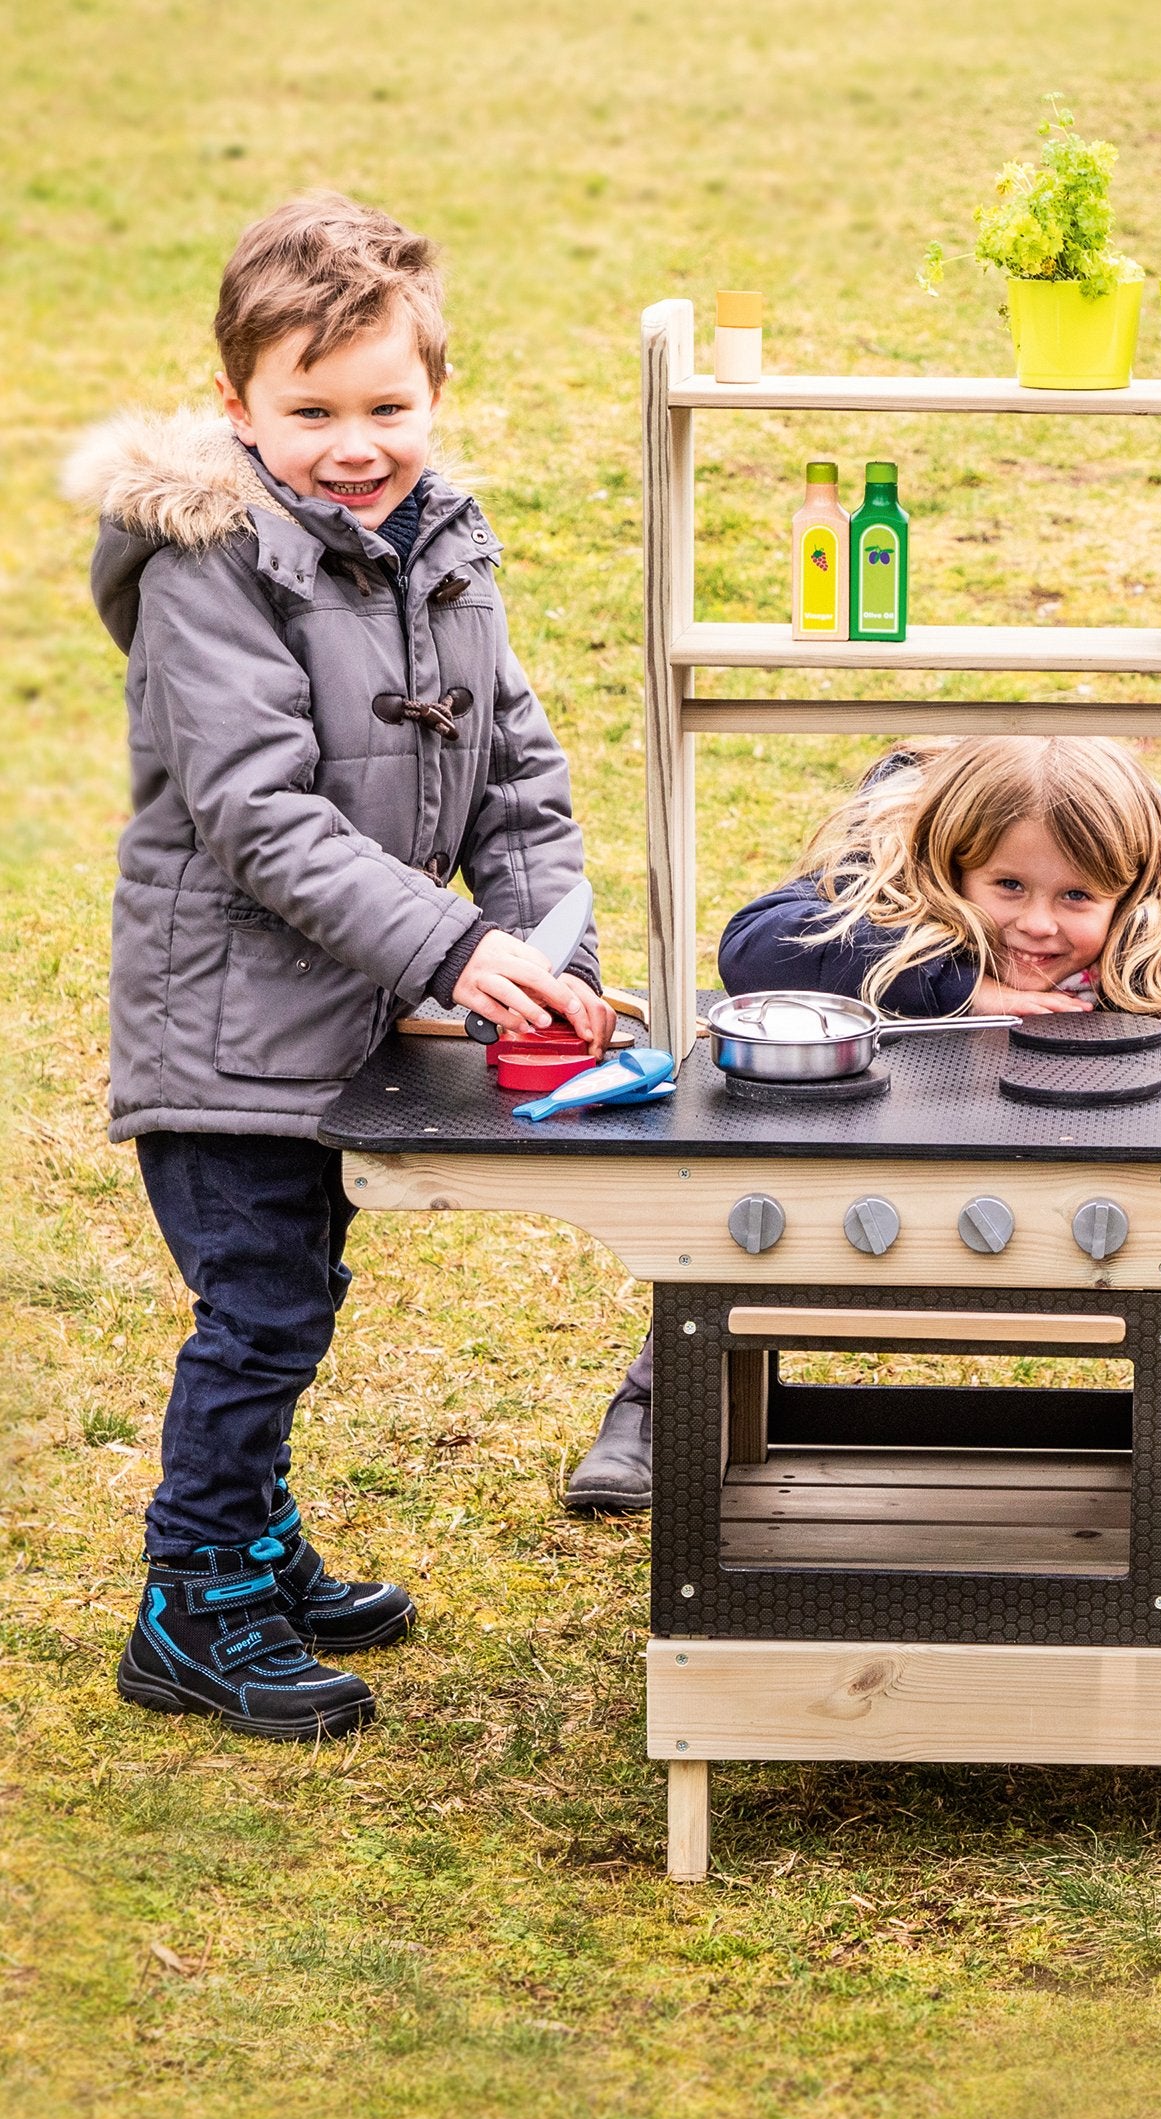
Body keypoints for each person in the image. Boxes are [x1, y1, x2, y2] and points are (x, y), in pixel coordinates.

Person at [72, 192, 616, 1739]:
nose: (354, 442)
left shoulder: (433, 539)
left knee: (295, 1288)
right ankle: (193, 1599)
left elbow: (511, 761)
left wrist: (545, 942)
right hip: (228, 1023)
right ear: (237, 408)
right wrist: (453, 942)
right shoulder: (211, 563)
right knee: (257, 1310)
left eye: (388, 405)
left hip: (343, 1006)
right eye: (310, 411)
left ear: (436, 396)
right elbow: (257, 815)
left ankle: (256, 1546)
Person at [564, 734, 1161, 1509]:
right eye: (1006, 888)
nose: (1037, 925)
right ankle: (655, 1407)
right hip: (906, 1126)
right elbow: (755, 945)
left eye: (1076, 898)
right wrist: (959, 982)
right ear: (952, 864)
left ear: (1128, 889)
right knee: (758, 1205)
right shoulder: (892, 869)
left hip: (1129, 1138)